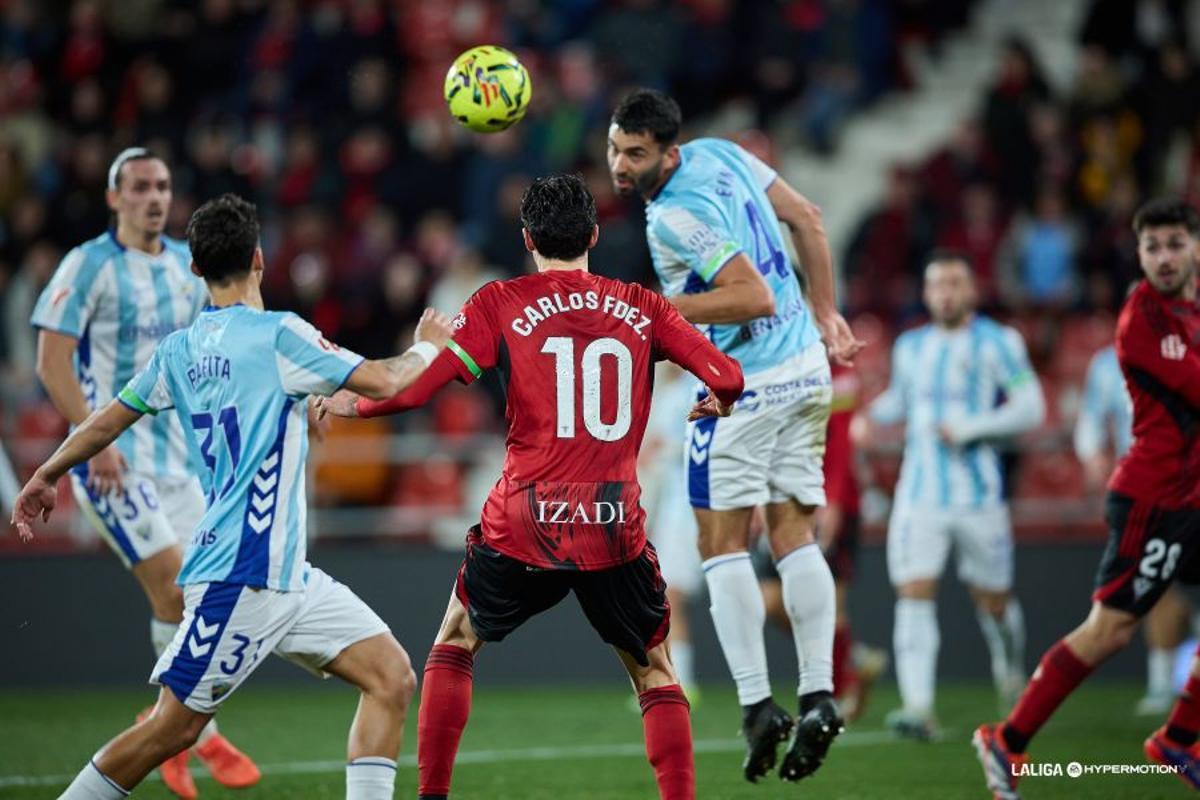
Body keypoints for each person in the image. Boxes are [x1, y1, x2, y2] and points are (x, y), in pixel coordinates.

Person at [317, 174, 746, 800]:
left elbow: (417, 387)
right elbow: (727, 374)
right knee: (654, 671)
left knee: (457, 639)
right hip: (611, 522)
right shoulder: (643, 305)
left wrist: (351, 408)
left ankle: (431, 795)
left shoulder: (499, 302)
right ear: (594, 235)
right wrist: (719, 400)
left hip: (525, 517)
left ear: (527, 239)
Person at [13, 194, 446, 800]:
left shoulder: (178, 351)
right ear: (261, 260)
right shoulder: (279, 335)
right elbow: (388, 377)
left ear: (195, 269)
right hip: (239, 578)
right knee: (172, 728)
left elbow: (106, 420)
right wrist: (428, 343)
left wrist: (47, 472)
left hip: (287, 575)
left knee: (391, 676)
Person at [607, 87, 863, 783]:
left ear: (668, 152)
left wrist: (654, 313)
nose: (620, 166)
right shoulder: (725, 153)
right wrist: (828, 311)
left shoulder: (672, 216)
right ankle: (818, 695)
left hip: (743, 384)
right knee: (792, 534)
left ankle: (757, 706)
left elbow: (752, 294)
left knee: (718, 545)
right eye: (614, 149)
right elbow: (806, 217)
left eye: (635, 154)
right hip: (806, 370)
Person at [29, 147, 258, 796]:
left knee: (209, 598)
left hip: (180, 463)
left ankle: (170, 731)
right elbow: (52, 359)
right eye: (138, 187)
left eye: (161, 185)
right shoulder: (89, 265)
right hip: (114, 464)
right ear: (113, 197)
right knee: (174, 592)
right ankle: (191, 735)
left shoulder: (188, 272)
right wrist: (92, 439)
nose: (154, 197)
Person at [975, 198, 1200, 798]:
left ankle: (1179, 740)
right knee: (1111, 628)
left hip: (1195, 495)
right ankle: (1008, 739)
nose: (1164, 256)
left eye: (1175, 243)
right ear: (1140, 253)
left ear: (1194, 247)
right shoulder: (1144, 322)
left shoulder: (1191, 312)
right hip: (1155, 499)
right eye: (1153, 246)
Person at [853, 251, 1044, 741]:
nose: (946, 293)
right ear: (926, 293)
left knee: (994, 602)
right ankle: (919, 708)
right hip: (918, 495)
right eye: (937, 285)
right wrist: (870, 416)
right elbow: (904, 399)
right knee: (914, 592)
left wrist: (972, 427)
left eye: (955, 283)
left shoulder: (1000, 342)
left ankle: (1009, 667)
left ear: (972, 291)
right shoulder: (912, 346)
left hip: (979, 495)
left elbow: (1030, 407)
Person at [759, 363, 888, 723]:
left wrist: (832, 500)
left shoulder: (839, 370)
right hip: (780, 498)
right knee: (771, 602)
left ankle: (832, 693)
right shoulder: (774, 356)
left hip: (829, 499)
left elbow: (843, 441)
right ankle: (853, 659)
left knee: (828, 604)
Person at [1076, 341, 1193, 716]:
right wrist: (1093, 454)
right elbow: (1091, 418)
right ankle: (1163, 684)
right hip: (1155, 488)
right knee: (1158, 585)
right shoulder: (1109, 363)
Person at [640, 362, 705, 698]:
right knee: (666, 593)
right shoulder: (668, 390)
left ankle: (681, 680)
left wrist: (661, 451)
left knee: (671, 594)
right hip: (673, 501)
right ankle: (676, 677)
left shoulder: (693, 386)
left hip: (692, 500)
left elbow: (699, 444)